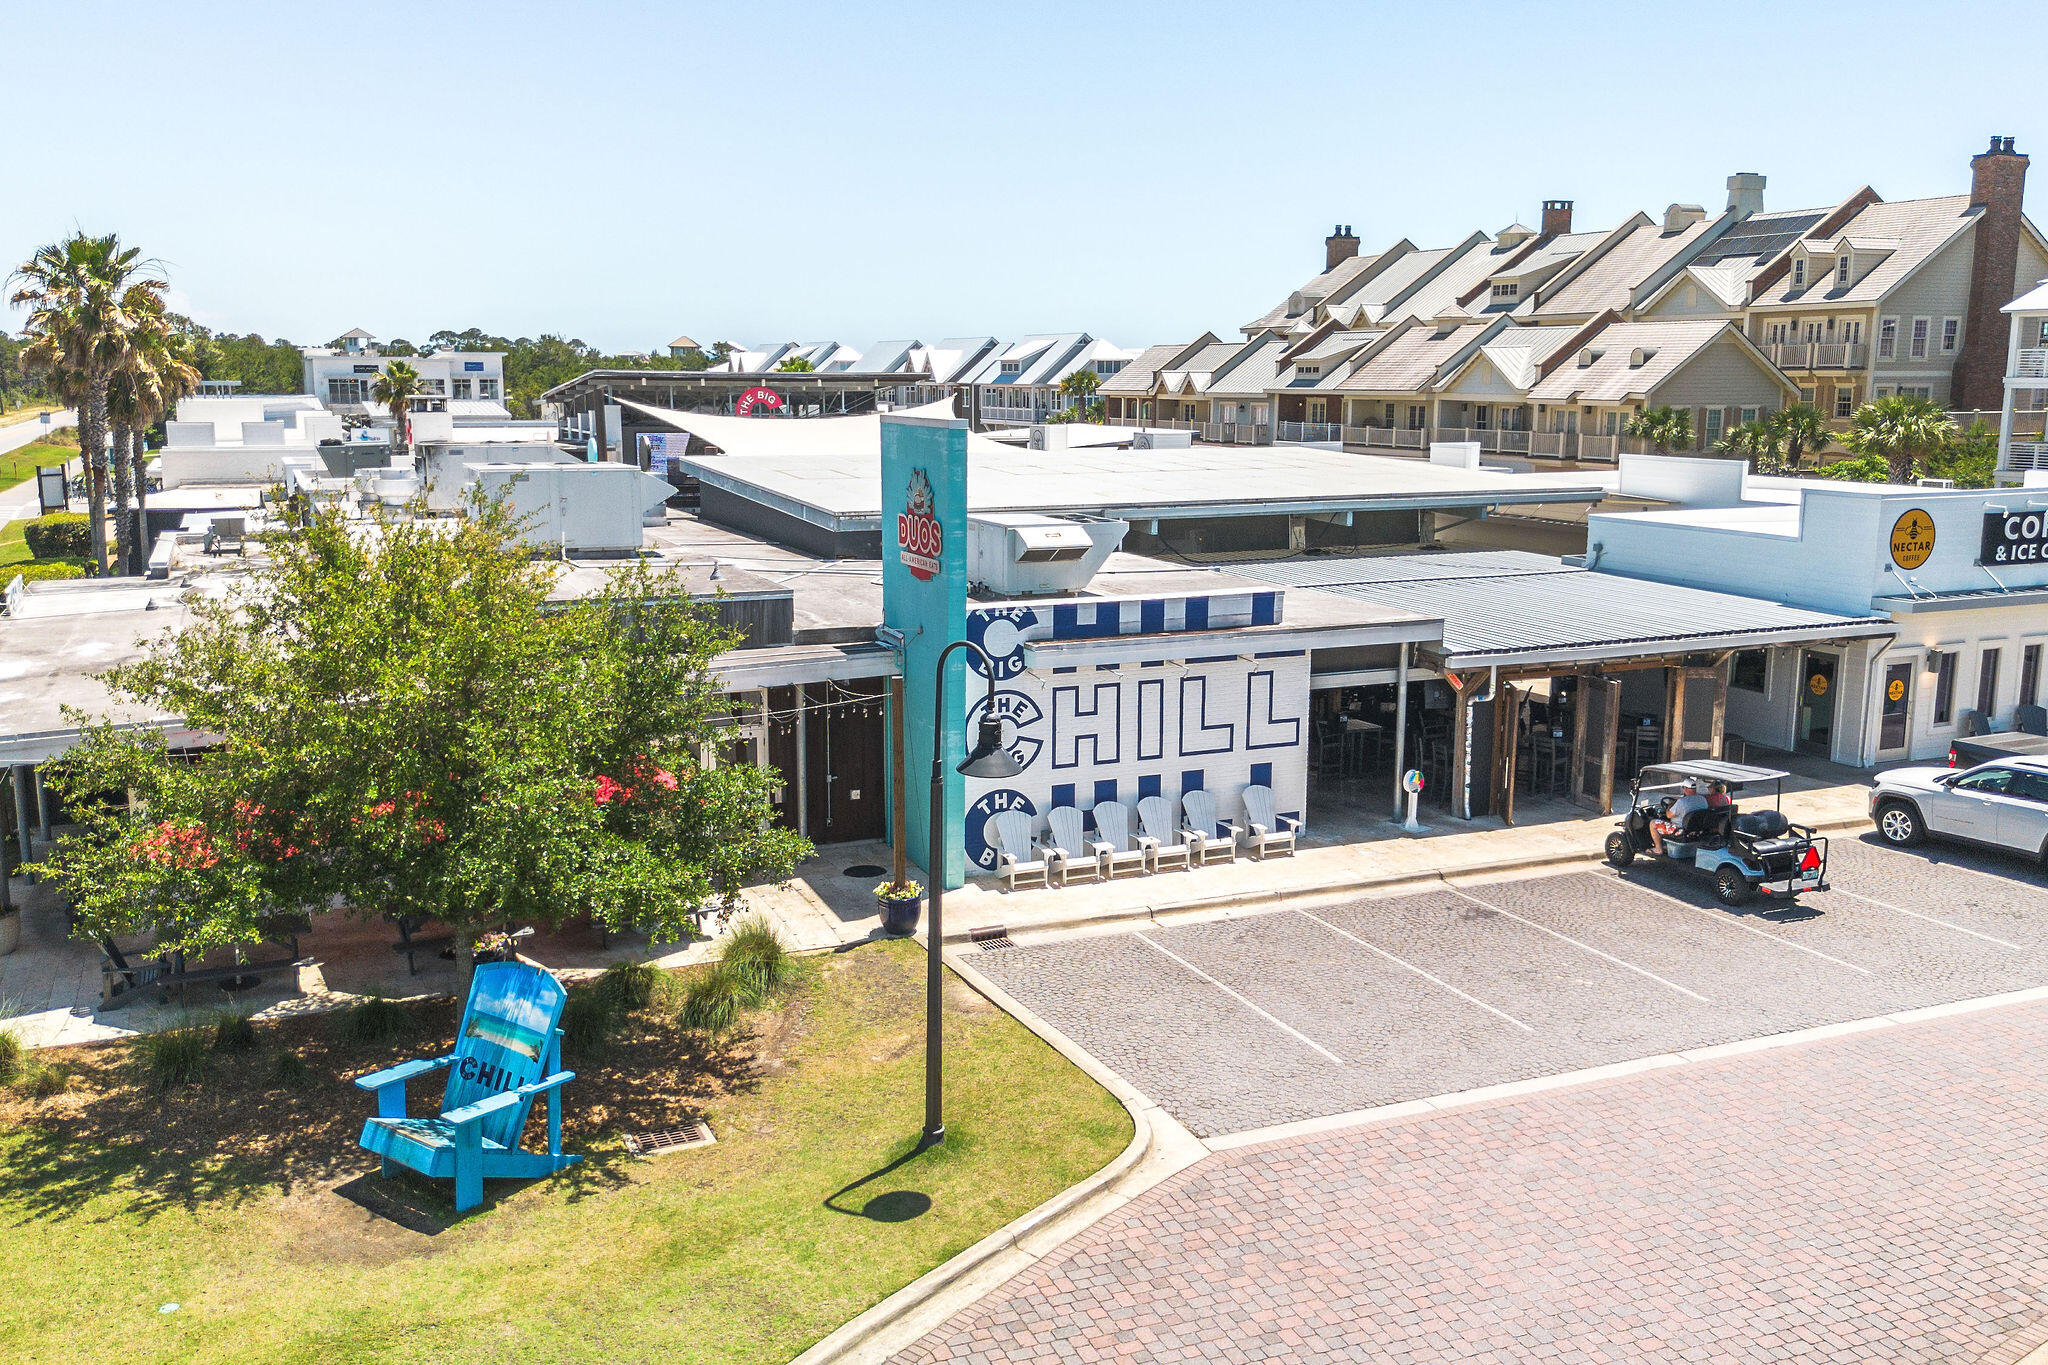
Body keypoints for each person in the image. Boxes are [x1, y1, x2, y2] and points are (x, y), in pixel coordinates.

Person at [1651, 777, 1708, 854]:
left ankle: (1658, 849)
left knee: (1653, 823)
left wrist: (1669, 806)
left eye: (1683, 788)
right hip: (1697, 829)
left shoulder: (1681, 802)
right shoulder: (1702, 799)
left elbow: (1668, 815)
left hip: (1680, 830)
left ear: (1686, 788)